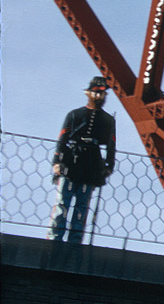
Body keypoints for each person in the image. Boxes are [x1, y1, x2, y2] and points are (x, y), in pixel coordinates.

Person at [49, 76, 116, 243]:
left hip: (92, 164)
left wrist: (109, 165)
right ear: (89, 93)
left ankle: (75, 241)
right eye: (96, 93)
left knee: (82, 206)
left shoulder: (108, 120)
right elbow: (62, 139)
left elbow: (111, 145)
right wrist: (56, 162)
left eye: (102, 94)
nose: (99, 97)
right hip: (71, 161)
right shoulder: (74, 114)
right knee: (62, 203)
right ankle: (54, 237)